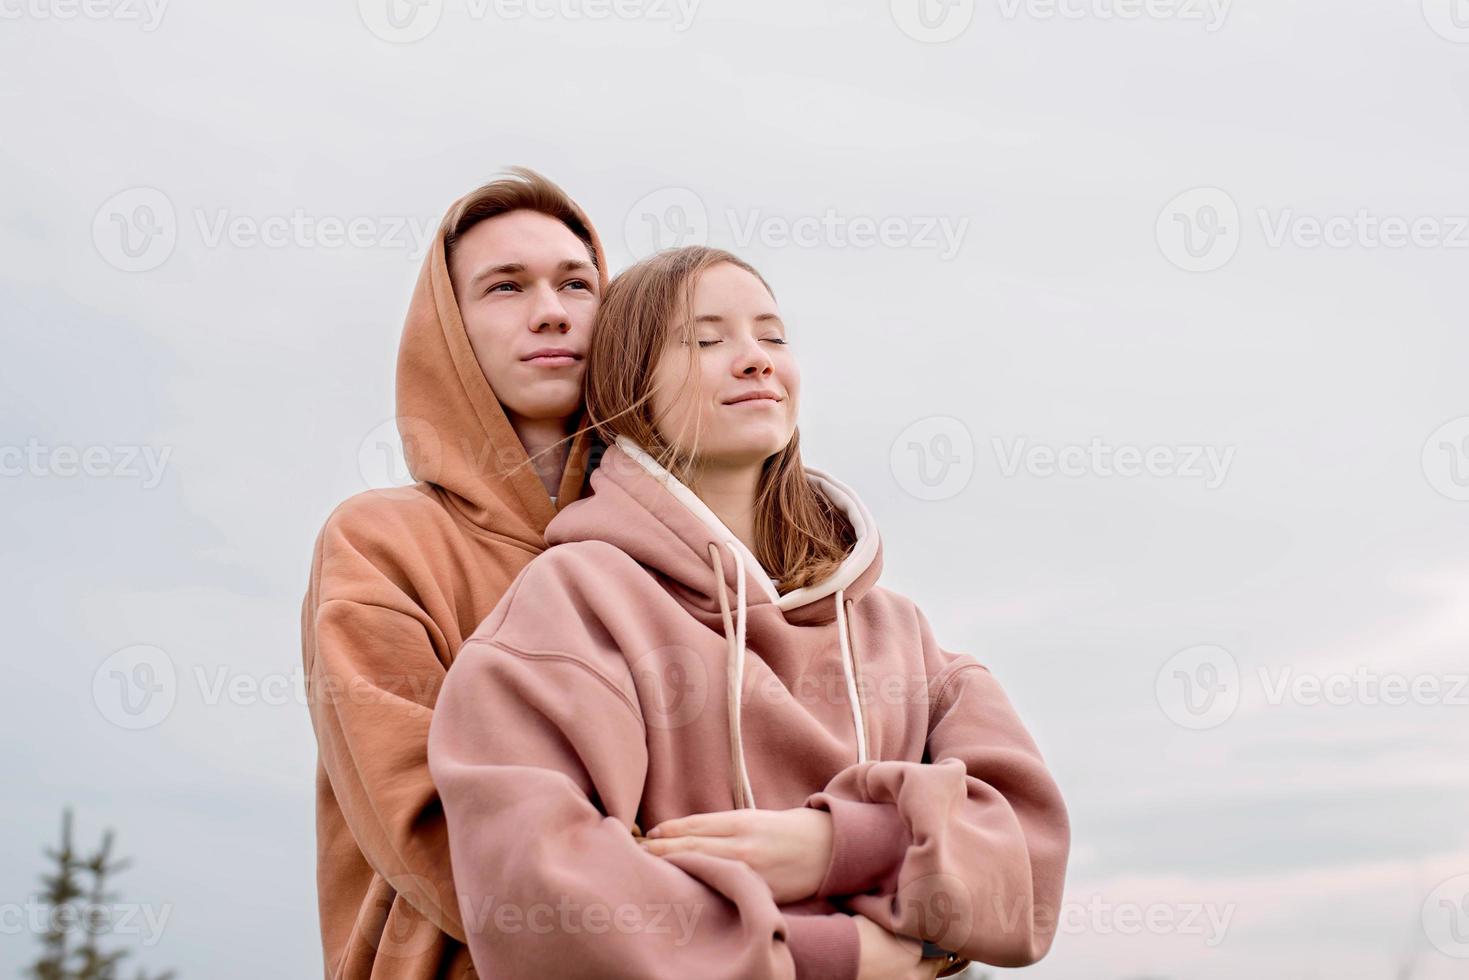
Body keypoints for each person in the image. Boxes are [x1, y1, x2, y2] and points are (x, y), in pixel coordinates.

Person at [427, 245, 1071, 979]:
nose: (754, 360)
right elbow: (540, 887)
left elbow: (1026, 867)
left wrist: (834, 847)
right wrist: (844, 952)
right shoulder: (574, 602)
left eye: (771, 336)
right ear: (629, 386)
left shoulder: (899, 632)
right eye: (705, 340)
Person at [301, 167, 608, 979]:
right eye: (504, 286)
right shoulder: (380, 543)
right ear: (448, 330)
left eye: (576, 283)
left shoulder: (683, 555)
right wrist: (696, 915)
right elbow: (427, 824)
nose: (551, 309)